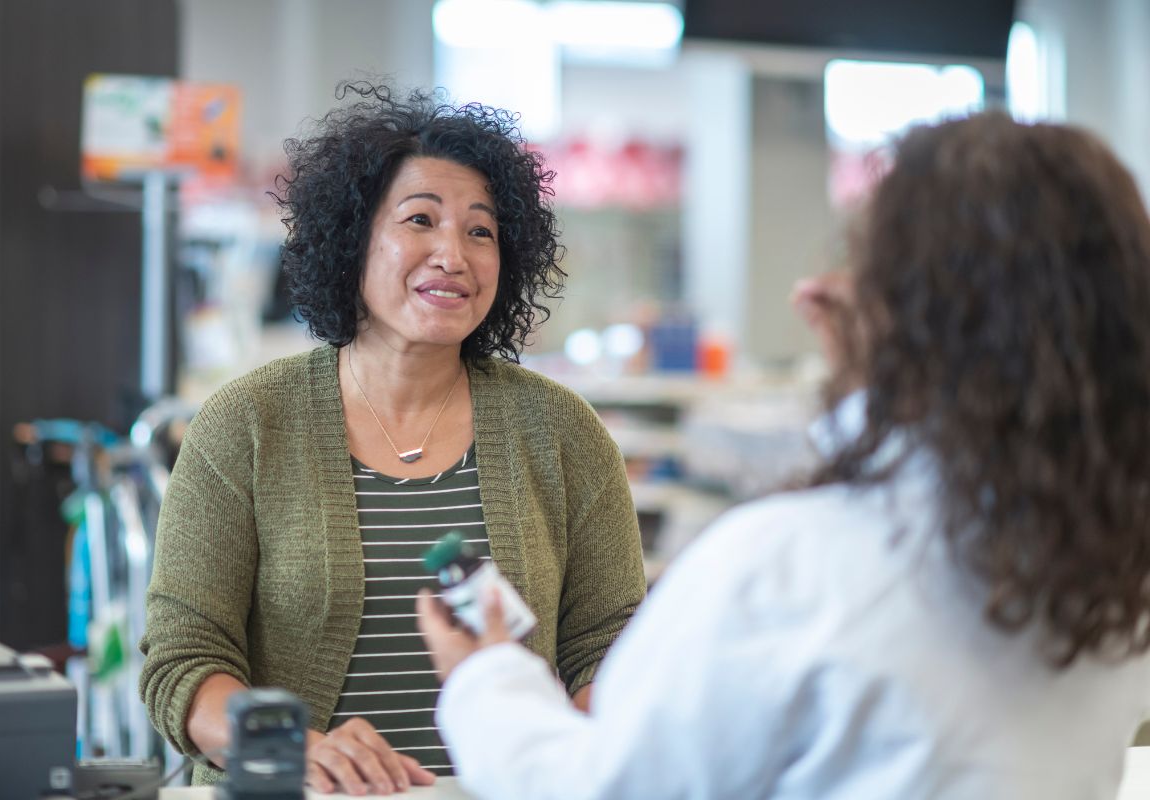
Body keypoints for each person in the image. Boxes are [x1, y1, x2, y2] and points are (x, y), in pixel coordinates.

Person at [417, 111, 1150, 799]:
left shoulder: (789, 569)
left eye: (865, 262)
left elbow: (604, 789)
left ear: (909, 314)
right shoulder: (1116, 567)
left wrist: (486, 679)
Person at [139, 83, 646, 795]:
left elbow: (612, 647)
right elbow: (182, 661)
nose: (453, 254)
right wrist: (293, 750)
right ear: (353, 240)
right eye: (420, 220)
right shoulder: (247, 422)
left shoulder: (562, 433)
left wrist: (563, 757)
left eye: (480, 231)